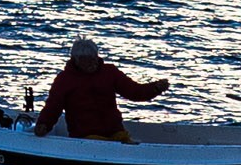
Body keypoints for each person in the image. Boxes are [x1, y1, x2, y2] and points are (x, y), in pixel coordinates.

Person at [36, 37, 168, 142]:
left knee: (124, 140)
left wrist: (155, 88)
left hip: (115, 132)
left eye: (94, 59)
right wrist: (44, 124)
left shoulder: (110, 72)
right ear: (76, 60)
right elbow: (53, 107)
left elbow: (134, 91)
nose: (92, 64)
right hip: (85, 137)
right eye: (86, 61)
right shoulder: (64, 80)